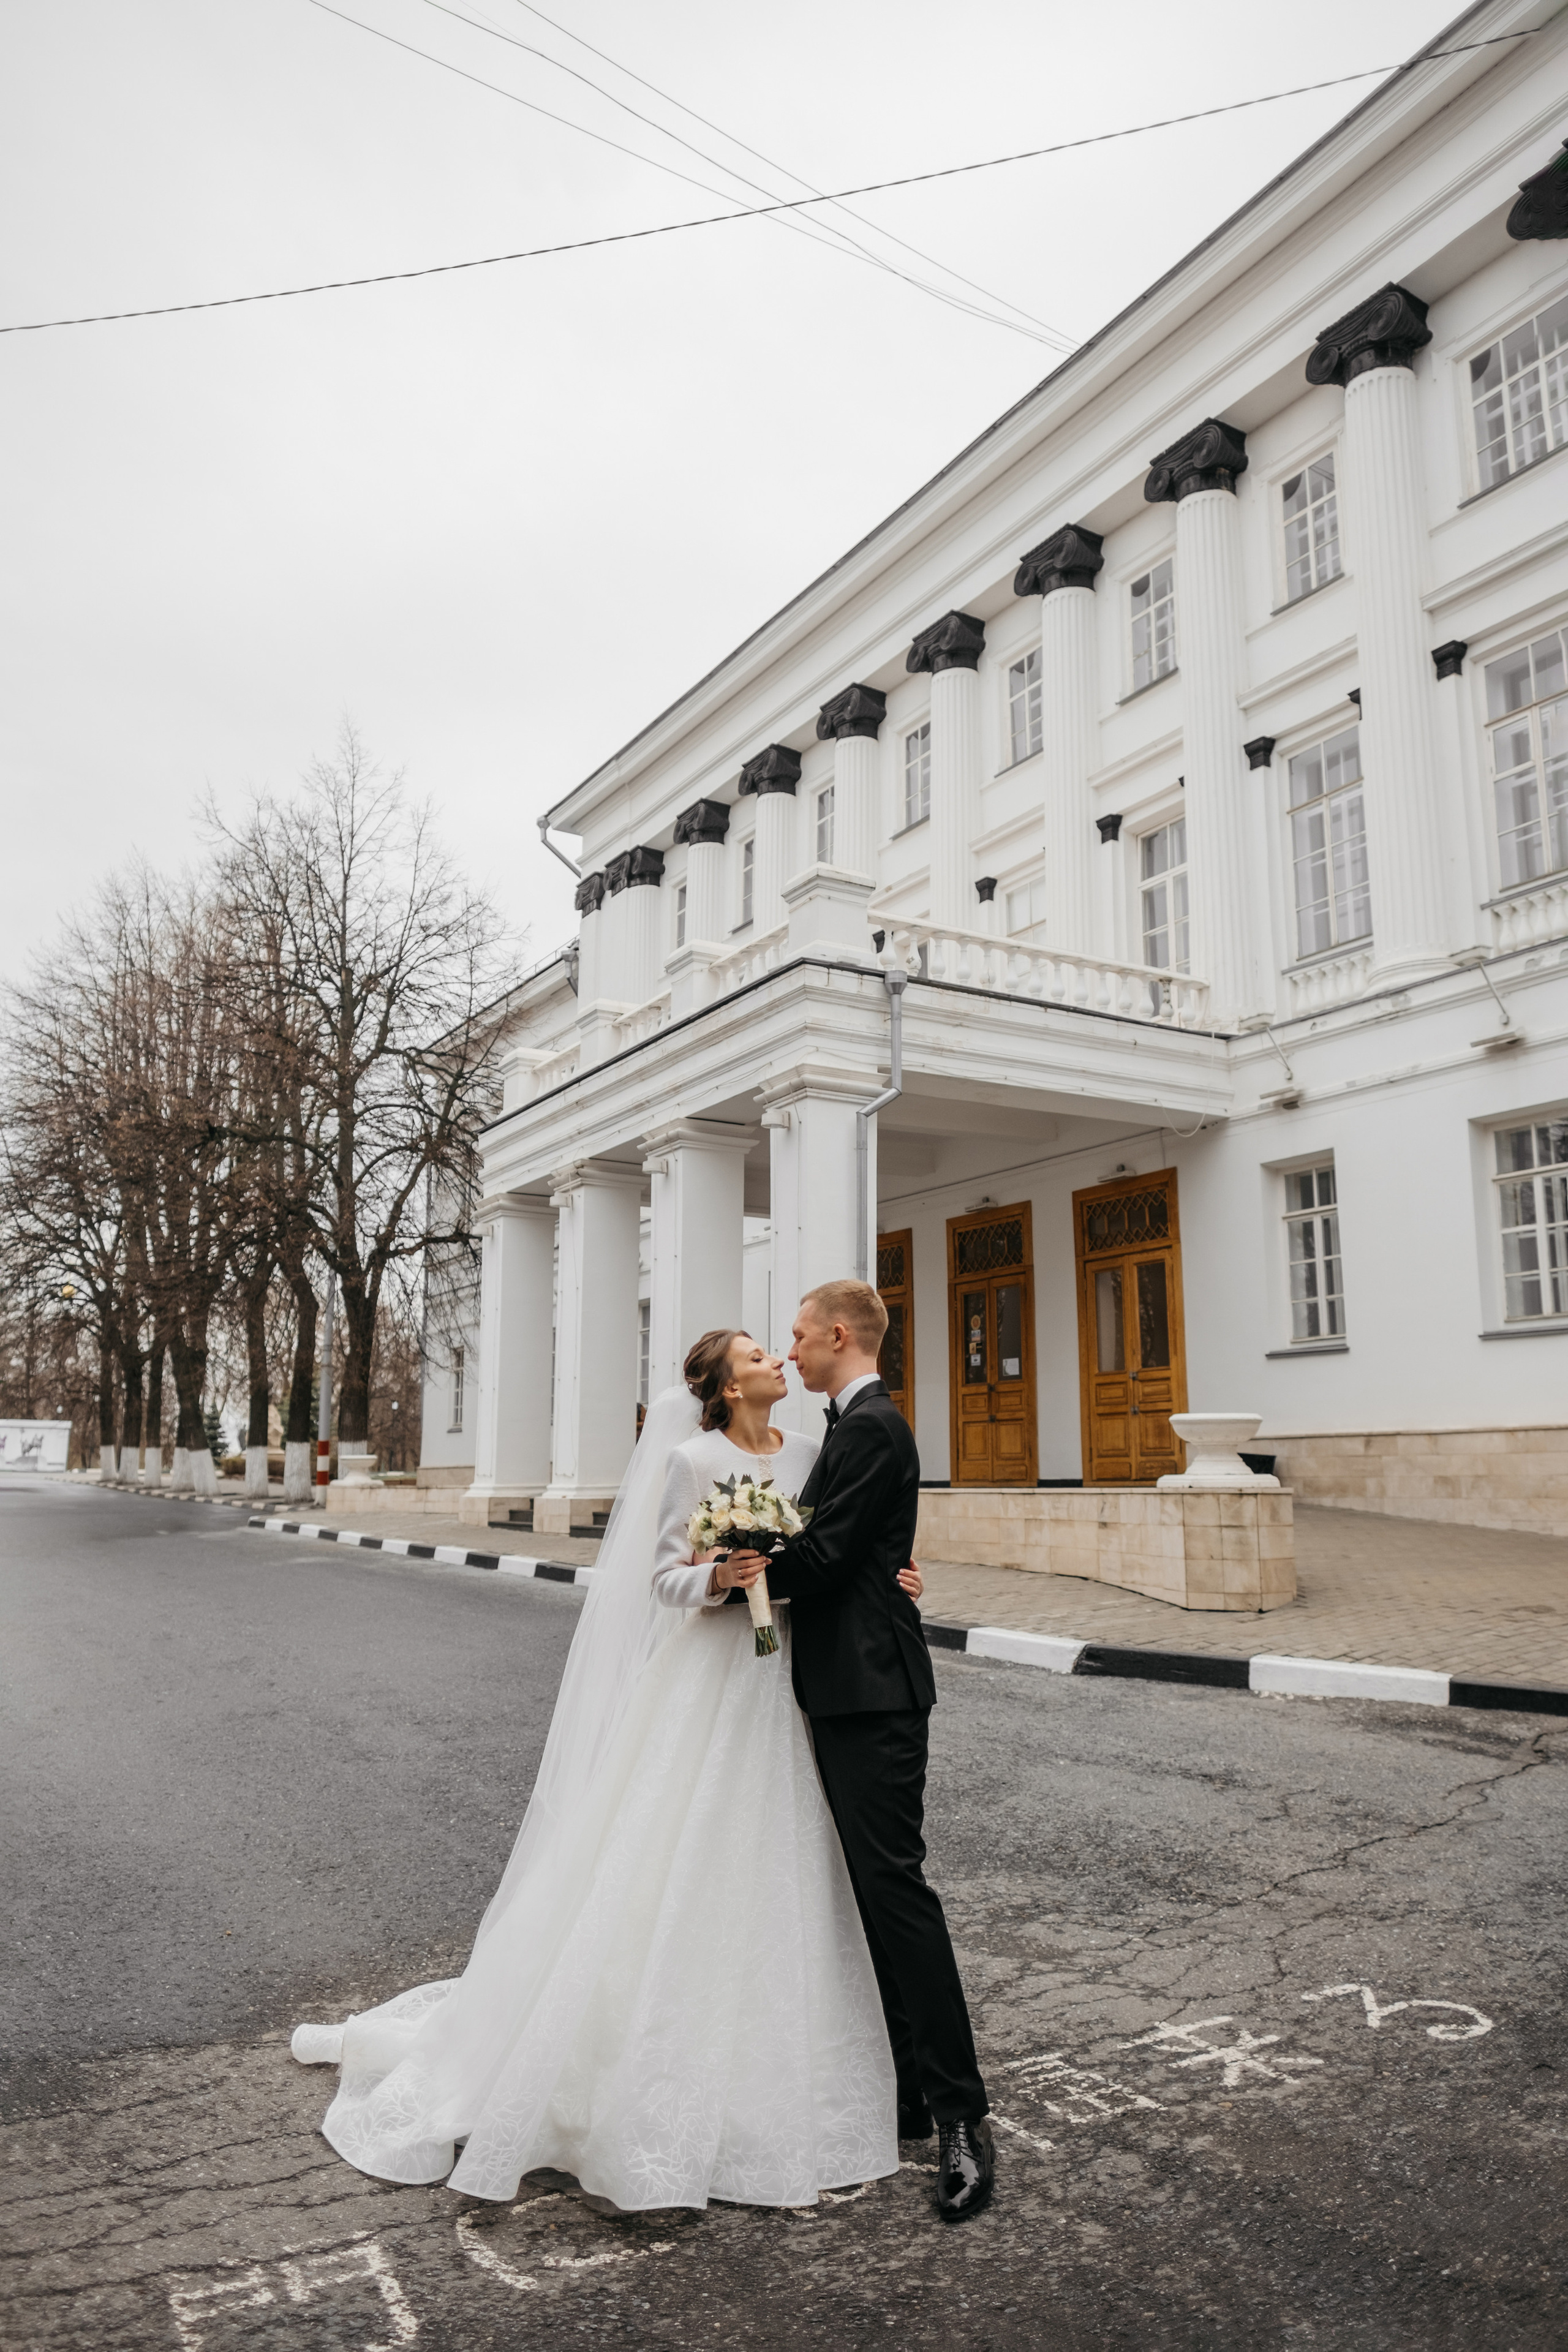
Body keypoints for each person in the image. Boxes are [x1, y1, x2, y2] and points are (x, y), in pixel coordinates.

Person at [290, 1329, 923, 2215]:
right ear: (721, 1383)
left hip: (785, 1679)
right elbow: (659, 1578)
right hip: (710, 1676)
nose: (775, 1359)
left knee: (780, 1863)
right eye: (754, 1352)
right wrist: (716, 1575)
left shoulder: (814, 1450)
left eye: (778, 1348)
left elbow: (839, 1547)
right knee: (678, 1852)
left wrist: (894, 1575)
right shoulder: (692, 1459)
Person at [724, 1279, 995, 2223]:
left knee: (896, 1892)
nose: (791, 1353)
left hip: (876, 1694)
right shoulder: (853, 1425)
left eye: (798, 1337)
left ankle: (964, 2117)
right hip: (847, 1686)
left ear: (839, 1335)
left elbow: (829, 1555)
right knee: (871, 1895)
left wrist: (736, 1572)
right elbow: (857, 1546)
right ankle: (914, 2094)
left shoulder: (875, 1426)